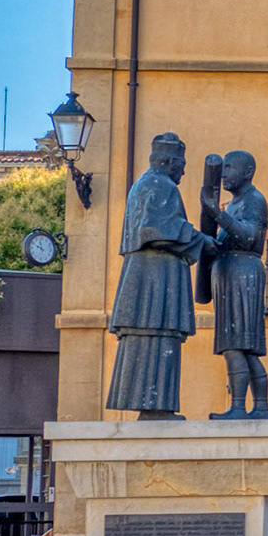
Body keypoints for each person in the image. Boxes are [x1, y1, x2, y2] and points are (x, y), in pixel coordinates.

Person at [106, 133, 211, 418]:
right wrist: (201, 240)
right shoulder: (161, 185)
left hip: (148, 274)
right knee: (159, 333)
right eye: (182, 164)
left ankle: (154, 408)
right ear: (169, 161)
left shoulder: (144, 185)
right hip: (155, 278)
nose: (184, 171)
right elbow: (155, 231)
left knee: (157, 335)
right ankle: (155, 408)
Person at [202, 149, 268, 418]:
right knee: (243, 345)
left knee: (237, 343)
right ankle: (259, 408)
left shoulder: (253, 200)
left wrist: (217, 216)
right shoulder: (236, 203)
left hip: (243, 272)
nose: (224, 174)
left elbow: (248, 237)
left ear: (248, 172)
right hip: (232, 273)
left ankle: (240, 408)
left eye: (229, 168)